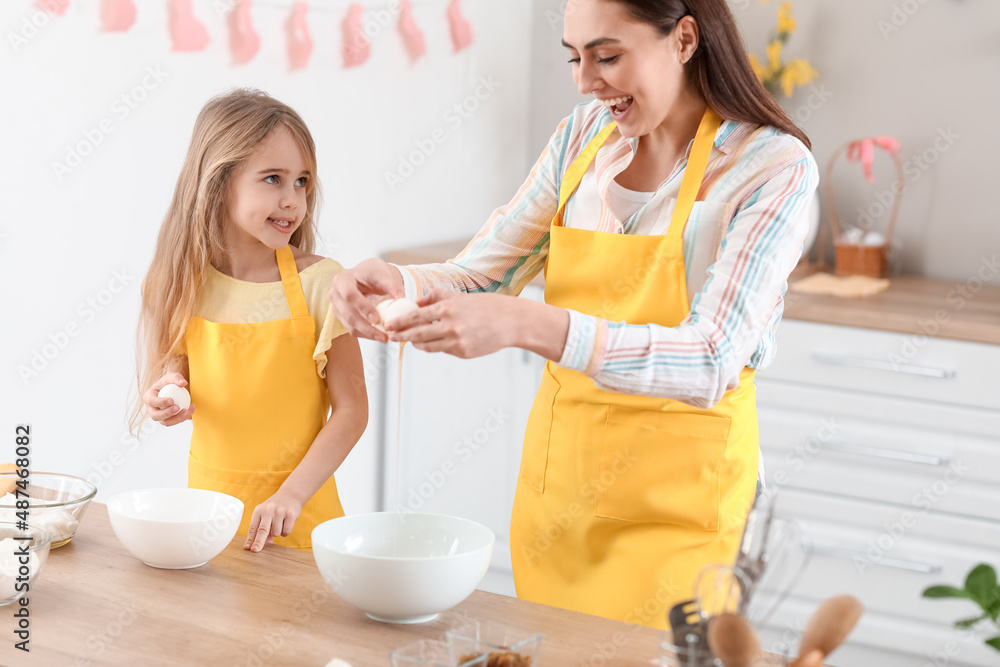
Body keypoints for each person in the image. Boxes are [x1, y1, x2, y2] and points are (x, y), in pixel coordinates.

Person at [330, 0, 818, 629]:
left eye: (607, 55)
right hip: (559, 503)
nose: (587, 81)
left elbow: (711, 358)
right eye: (574, 57)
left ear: (685, 39)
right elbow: (489, 273)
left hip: (679, 517)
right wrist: (397, 281)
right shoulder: (583, 140)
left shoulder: (769, 166)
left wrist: (531, 325)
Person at [131, 89, 368, 553]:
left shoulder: (322, 283)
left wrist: (291, 496)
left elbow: (353, 410)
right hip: (206, 522)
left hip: (298, 523)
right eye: (273, 179)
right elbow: (181, 362)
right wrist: (169, 388)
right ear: (218, 184)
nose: (292, 200)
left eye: (301, 181)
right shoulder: (182, 281)